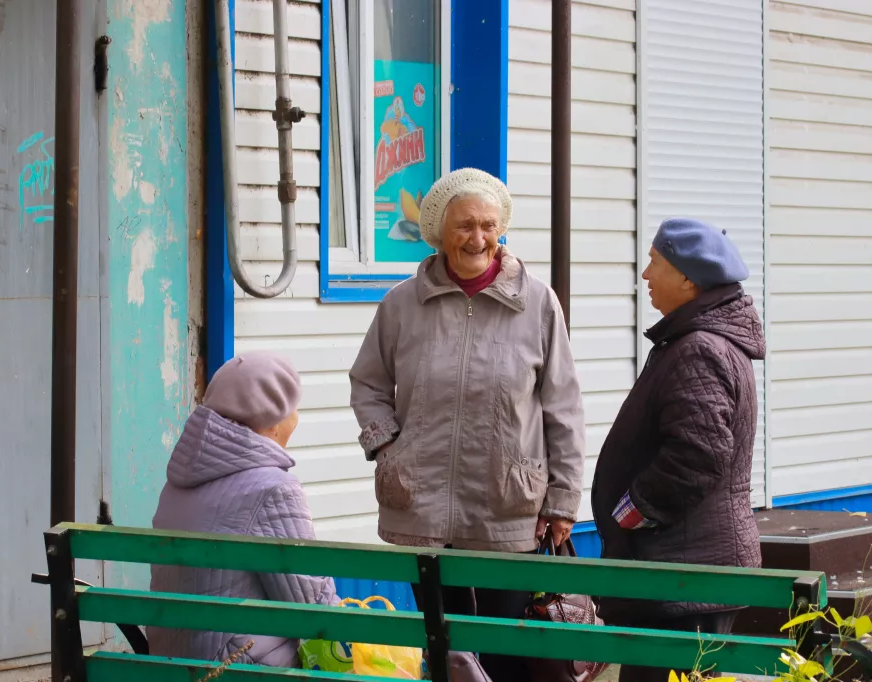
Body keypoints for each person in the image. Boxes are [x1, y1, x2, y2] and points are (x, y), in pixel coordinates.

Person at [349, 167, 586, 681]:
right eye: (464, 225)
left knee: (506, 651)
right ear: (439, 231)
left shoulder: (537, 303)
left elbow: (563, 407)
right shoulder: (401, 304)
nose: (478, 238)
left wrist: (563, 499)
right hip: (422, 504)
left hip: (508, 505)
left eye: (488, 225)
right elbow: (368, 383)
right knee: (444, 648)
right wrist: (389, 447)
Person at [591, 217, 765, 682]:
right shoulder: (698, 341)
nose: (646, 274)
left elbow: (697, 457)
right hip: (683, 572)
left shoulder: (699, 349)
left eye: (655, 263)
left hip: (686, 575)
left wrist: (632, 510)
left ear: (688, 279)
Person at [148, 352, 339, 667]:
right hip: (232, 668)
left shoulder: (178, 482)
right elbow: (313, 609)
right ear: (272, 423)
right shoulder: (274, 488)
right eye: (293, 409)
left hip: (169, 663)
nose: (297, 418)